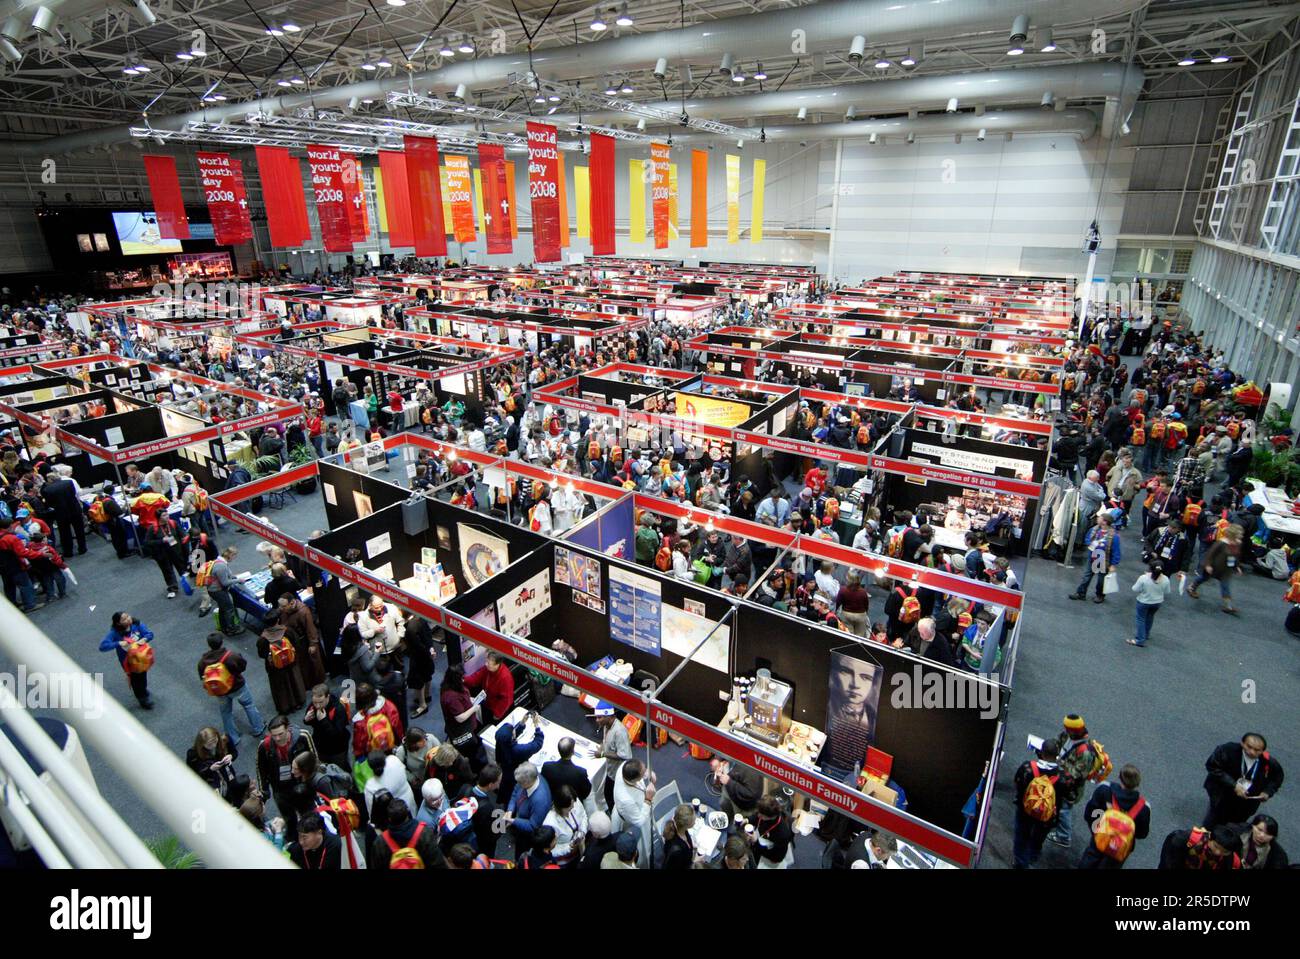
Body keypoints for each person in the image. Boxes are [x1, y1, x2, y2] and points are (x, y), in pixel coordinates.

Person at [1202, 733, 1284, 828]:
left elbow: (1277, 778)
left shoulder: (1269, 762)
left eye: (1257, 750)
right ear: (1242, 743)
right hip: (1222, 795)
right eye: (1249, 747)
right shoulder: (1227, 750)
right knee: (1211, 823)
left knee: (1235, 828)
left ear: (1263, 750)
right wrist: (1234, 785)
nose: (1252, 752)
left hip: (1247, 802)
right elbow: (1212, 766)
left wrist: (1267, 792)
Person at [1077, 764, 1150, 869]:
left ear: (1120, 777)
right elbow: (1142, 833)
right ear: (1137, 783)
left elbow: (1089, 813)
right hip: (1119, 848)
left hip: (1100, 838)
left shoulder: (1104, 789)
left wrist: (1096, 831)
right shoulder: (1144, 807)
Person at [255, 715, 316, 840]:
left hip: (301, 784)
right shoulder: (264, 746)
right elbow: (261, 769)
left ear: (288, 728)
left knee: (308, 812)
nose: (277, 738)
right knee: (289, 818)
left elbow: (314, 758)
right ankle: (294, 838)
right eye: (274, 735)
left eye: (280, 734)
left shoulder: (302, 737)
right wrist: (263, 790)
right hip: (280, 788)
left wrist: (311, 782)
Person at [197, 632, 265, 742]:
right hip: (238, 687)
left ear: (209, 645)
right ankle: (258, 727)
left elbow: (202, 677)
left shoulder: (202, 662)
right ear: (221, 642)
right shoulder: (230, 656)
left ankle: (233, 737)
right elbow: (242, 666)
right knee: (248, 705)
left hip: (220, 691)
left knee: (226, 713)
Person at [1045, 713, 1097, 849]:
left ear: (1074, 730)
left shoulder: (1085, 752)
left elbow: (1077, 774)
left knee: (1064, 810)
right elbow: (1057, 743)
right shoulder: (1067, 735)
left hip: (1071, 789)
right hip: (1060, 780)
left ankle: (1064, 836)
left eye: (1067, 728)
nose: (1065, 730)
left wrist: (1059, 765)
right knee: (1057, 804)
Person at [824, 652, 878, 774]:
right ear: (835, 675)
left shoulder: (873, 718)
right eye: (846, 672)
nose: (855, 684)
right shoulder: (827, 708)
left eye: (865, 677)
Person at [1012, 739, 1060, 869]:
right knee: (1038, 837)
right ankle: (1032, 856)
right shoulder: (1062, 776)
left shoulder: (1027, 768)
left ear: (1041, 753)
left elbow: (1017, 783)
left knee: (1022, 835)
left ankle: (1020, 862)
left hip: (1025, 811)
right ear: (1057, 755)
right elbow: (1065, 798)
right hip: (1047, 816)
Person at [98, 611, 154, 710]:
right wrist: (119, 643)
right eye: (124, 619)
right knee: (135, 680)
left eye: (128, 616)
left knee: (143, 675)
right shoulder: (114, 633)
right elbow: (103, 646)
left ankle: (143, 690)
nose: (128, 619)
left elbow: (150, 634)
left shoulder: (137, 624)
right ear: (118, 623)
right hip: (128, 662)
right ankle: (142, 699)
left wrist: (144, 639)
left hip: (141, 657)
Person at [370, 798, 446, 869]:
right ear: (407, 813)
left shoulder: (379, 843)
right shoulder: (425, 833)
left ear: (389, 818)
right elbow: (438, 864)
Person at [1187, 523, 1243, 615]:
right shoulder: (1221, 542)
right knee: (1203, 578)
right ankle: (1192, 587)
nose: (1241, 535)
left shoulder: (1238, 543)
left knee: (1225, 585)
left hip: (1226, 570)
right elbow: (1210, 554)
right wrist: (1208, 565)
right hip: (1213, 567)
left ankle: (1228, 606)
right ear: (1233, 533)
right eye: (1239, 533)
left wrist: (1237, 566)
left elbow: (1236, 556)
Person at [1068, 513, 1120, 603]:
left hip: (1104, 560)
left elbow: (1116, 551)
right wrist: (1091, 543)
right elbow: (1087, 538)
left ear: (1105, 521)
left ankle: (1100, 595)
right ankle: (1081, 593)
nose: (1097, 519)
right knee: (1086, 576)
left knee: (1101, 580)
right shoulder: (1094, 529)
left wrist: (1113, 564)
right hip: (1093, 557)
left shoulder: (1113, 536)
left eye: (1100, 518)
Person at [494, 711, 545, 804]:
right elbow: (538, 743)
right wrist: (536, 725)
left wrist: (522, 723)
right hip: (518, 778)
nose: (514, 729)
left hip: (506, 774)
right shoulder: (519, 751)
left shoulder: (501, 743)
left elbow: (509, 737)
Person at [186, 726, 244, 804]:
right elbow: (192, 774)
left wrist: (231, 756)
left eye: (215, 741)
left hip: (228, 775)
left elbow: (234, 753)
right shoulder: (193, 754)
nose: (213, 745)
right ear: (201, 744)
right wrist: (210, 769)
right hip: (212, 782)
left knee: (234, 796)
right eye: (209, 744)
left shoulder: (225, 739)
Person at [256, 624, 306, 714]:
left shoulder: (263, 639)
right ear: (278, 620)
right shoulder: (287, 631)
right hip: (291, 663)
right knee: (294, 681)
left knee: (280, 688)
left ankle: (285, 707)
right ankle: (299, 701)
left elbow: (261, 654)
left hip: (275, 668)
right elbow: (296, 642)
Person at [439, 665, 483, 767]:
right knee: (469, 752)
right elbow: (459, 718)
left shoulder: (451, 686)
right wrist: (474, 708)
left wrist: (469, 700)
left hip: (469, 724)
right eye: (461, 678)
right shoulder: (451, 697)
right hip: (462, 729)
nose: (463, 680)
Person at [40, 464, 86, 557]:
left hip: (61, 514)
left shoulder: (47, 489)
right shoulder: (69, 483)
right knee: (79, 530)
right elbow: (74, 494)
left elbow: (49, 503)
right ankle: (82, 548)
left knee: (65, 533)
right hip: (74, 509)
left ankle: (68, 552)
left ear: (49, 480)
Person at [350, 682, 404, 760]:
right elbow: (397, 726)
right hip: (390, 744)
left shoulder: (360, 721)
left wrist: (358, 756)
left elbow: (359, 742)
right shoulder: (388, 706)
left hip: (374, 753)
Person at [303, 684, 351, 769]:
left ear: (327, 697)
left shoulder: (338, 709)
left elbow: (336, 734)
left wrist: (323, 720)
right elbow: (310, 722)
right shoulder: (313, 705)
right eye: (315, 702)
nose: (317, 706)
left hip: (337, 749)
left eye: (321, 702)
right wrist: (306, 720)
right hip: (320, 746)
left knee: (339, 769)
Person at [505, 761, 552, 848]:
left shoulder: (541, 801)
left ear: (527, 782)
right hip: (520, 818)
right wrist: (510, 810)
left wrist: (513, 821)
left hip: (528, 834)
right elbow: (515, 792)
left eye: (520, 783)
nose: (518, 784)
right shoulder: (526, 779)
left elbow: (533, 825)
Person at [594, 707, 632, 813]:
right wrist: (602, 746)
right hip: (611, 769)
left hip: (618, 773)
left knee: (612, 797)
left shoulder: (619, 732)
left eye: (599, 717)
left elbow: (624, 755)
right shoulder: (606, 725)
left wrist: (602, 754)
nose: (596, 720)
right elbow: (607, 740)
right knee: (608, 795)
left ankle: (616, 817)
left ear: (609, 716)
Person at [1157, 823, 1242, 870]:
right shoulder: (1184, 839)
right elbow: (1168, 861)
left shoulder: (1229, 858)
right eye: (1216, 846)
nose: (1218, 852)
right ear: (1210, 838)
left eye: (1225, 852)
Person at [363, 749, 417, 820]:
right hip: (408, 800)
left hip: (394, 814)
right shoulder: (394, 760)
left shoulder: (371, 786)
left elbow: (372, 811)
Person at [203, 546, 246, 636]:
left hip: (213, 590)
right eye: (234, 556)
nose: (234, 559)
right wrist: (239, 580)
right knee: (228, 609)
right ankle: (231, 629)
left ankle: (224, 627)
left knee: (223, 609)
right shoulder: (221, 566)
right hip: (217, 591)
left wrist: (232, 577)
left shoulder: (218, 561)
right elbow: (225, 583)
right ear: (231, 555)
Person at [1128, 561, 1171, 647]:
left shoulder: (1144, 578)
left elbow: (1135, 589)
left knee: (1140, 619)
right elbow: (1167, 591)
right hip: (1157, 602)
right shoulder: (1166, 579)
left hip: (1144, 602)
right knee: (1150, 617)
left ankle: (1140, 639)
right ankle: (1146, 634)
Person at [543, 785, 589, 867]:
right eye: (569, 807)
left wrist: (582, 831)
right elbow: (550, 850)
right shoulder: (550, 823)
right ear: (559, 806)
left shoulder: (574, 801)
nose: (573, 807)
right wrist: (568, 847)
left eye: (573, 804)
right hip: (564, 861)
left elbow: (583, 815)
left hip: (579, 850)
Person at [465, 651, 515, 725]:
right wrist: (463, 680)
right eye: (486, 662)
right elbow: (475, 678)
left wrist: (497, 715)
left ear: (497, 665)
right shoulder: (488, 669)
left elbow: (506, 700)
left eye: (489, 663)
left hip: (499, 711)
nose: (486, 664)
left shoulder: (505, 678)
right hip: (488, 704)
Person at [540, 736, 593, 807]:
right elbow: (585, 793)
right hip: (570, 806)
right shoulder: (580, 773)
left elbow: (543, 785)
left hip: (550, 802)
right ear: (573, 752)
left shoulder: (547, 767)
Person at [750, 794, 794, 868]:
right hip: (760, 846)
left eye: (761, 815)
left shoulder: (782, 834)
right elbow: (756, 817)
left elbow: (777, 858)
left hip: (769, 858)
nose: (758, 816)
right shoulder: (765, 813)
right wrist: (748, 819)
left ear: (771, 817)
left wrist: (756, 843)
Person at [470, 765, 503, 858]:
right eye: (499, 781)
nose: (500, 784)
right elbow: (497, 832)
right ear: (491, 785)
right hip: (484, 847)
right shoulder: (494, 807)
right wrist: (504, 822)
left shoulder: (465, 789)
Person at [661, 803, 699, 870]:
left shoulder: (678, 828)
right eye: (694, 821)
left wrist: (691, 845)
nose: (695, 822)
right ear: (687, 825)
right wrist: (694, 862)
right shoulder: (677, 851)